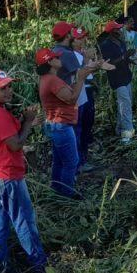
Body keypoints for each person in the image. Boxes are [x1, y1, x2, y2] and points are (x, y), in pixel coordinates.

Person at [0, 69, 47, 273]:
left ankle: (1, 268)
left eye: (9, 86)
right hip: (5, 178)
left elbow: (6, 135)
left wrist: (26, 122)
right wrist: (28, 122)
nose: (9, 91)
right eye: (2, 88)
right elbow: (15, 144)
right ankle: (39, 266)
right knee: (24, 221)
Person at [37, 48, 94, 196]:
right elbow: (71, 98)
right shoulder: (52, 80)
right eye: (56, 58)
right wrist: (81, 79)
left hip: (56, 124)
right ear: (50, 62)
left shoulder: (47, 79)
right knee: (71, 161)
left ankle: (56, 189)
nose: (59, 59)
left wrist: (80, 76)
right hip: (61, 125)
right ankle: (67, 194)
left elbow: (68, 93)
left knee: (59, 160)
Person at [98, 20, 135, 143]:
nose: (119, 31)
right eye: (117, 29)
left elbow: (125, 59)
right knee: (125, 105)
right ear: (111, 31)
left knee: (124, 104)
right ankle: (127, 134)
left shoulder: (121, 42)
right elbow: (109, 63)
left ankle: (119, 129)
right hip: (116, 79)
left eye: (119, 28)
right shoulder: (105, 45)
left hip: (126, 76)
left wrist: (132, 60)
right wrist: (124, 56)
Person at [70, 27, 97, 170]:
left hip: (88, 90)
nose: (83, 40)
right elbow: (79, 74)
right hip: (80, 91)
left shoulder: (83, 53)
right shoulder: (71, 56)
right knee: (79, 126)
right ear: (72, 41)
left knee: (87, 123)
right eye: (79, 38)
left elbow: (90, 71)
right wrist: (87, 60)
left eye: (83, 37)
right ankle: (79, 161)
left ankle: (84, 157)